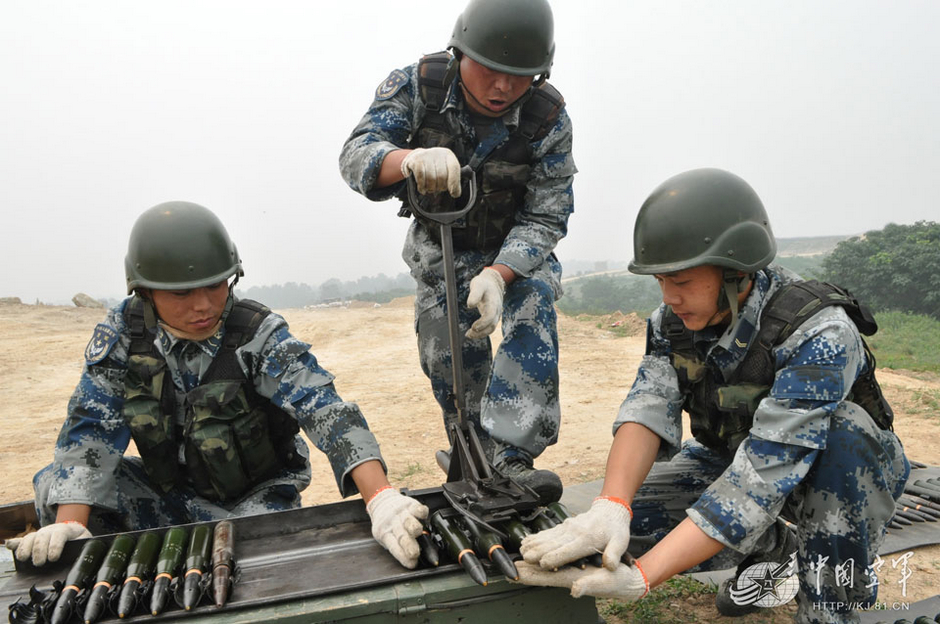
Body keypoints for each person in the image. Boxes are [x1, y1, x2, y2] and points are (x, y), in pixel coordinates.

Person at [516, 168, 910, 624]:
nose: (670, 297)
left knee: (845, 437)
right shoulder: (671, 323)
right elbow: (646, 407)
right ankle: (774, 548)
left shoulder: (817, 331)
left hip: (836, 478)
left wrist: (645, 576)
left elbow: (764, 475)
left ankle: (831, 607)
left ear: (736, 271)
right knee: (612, 534)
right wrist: (612, 506)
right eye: (660, 281)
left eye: (681, 282)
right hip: (733, 459)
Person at [6, 201, 428, 570]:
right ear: (146, 292)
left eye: (214, 285)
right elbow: (90, 435)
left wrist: (380, 498)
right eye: (182, 293)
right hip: (168, 497)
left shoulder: (256, 334)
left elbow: (325, 409)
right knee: (53, 489)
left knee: (255, 561)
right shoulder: (123, 337)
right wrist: (70, 526)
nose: (203, 305)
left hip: (252, 502)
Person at [338, 0, 576, 503]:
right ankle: (472, 453)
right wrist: (407, 160)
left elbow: (546, 215)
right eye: (490, 71)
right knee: (449, 355)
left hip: (512, 256)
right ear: (460, 52)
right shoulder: (419, 86)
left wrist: (499, 274)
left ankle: (511, 456)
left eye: (520, 76)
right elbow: (357, 153)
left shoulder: (547, 118)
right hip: (439, 252)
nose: (503, 88)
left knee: (532, 308)